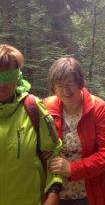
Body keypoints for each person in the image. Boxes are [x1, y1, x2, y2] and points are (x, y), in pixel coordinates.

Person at [43, 57, 105, 205]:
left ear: (80, 83)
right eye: (59, 85)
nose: (65, 90)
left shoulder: (98, 108)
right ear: (53, 87)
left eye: (70, 83)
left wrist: (72, 169)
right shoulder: (46, 108)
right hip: (56, 194)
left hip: (91, 192)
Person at [0, 44, 63, 205]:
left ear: (17, 76)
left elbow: (53, 151)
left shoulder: (33, 108)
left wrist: (54, 191)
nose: (3, 85)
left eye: (8, 77)